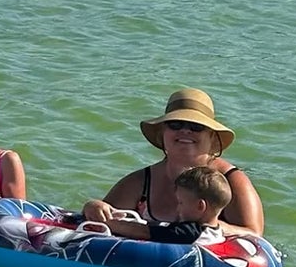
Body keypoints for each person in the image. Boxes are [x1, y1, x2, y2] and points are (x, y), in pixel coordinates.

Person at [97, 87, 264, 233]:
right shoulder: (139, 183)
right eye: (175, 124)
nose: (185, 131)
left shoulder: (232, 181)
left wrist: (208, 228)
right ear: (162, 132)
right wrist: (94, 207)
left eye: (196, 127)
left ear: (212, 136)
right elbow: (99, 223)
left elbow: (253, 234)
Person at [83, 164, 244, 244]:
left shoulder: (190, 232)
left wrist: (109, 224)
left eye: (181, 202)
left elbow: (145, 232)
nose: (177, 208)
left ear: (200, 206)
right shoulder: (216, 233)